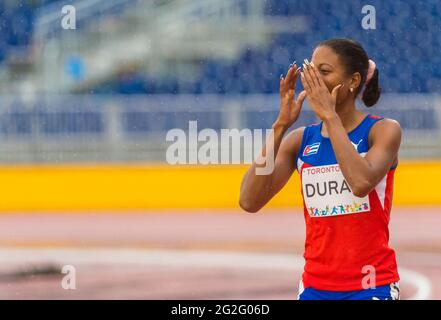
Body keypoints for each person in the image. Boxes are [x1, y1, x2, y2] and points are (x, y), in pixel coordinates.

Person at [239, 38, 401, 300]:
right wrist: (280, 126)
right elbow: (249, 200)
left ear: (354, 81)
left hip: (372, 285)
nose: (313, 79)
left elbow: (361, 184)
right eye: (311, 70)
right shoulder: (301, 140)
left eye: (324, 71)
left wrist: (330, 117)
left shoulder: (382, 130)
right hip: (315, 287)